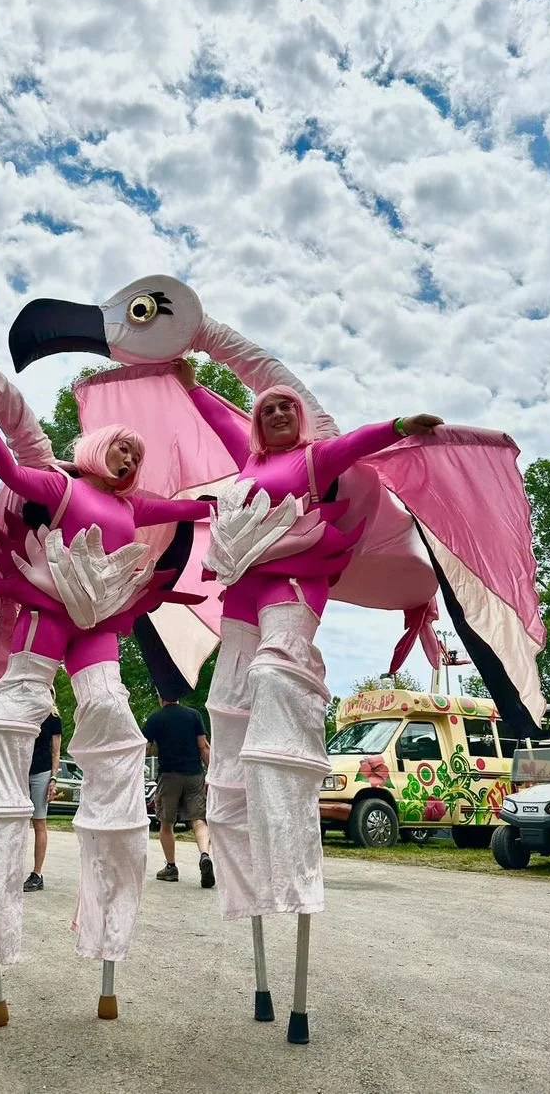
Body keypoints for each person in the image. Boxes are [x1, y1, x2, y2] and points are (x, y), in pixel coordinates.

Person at [172, 357, 443, 920]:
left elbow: (360, 444)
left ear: (299, 419)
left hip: (296, 578)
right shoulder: (249, 459)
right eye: (266, 409)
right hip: (244, 584)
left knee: (275, 672)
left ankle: (289, 791)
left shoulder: (315, 459)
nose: (274, 413)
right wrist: (191, 385)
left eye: (285, 408)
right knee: (229, 702)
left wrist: (399, 426)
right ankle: (240, 854)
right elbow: (215, 419)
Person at [0, 396, 215, 966]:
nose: (130, 456)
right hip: (48, 611)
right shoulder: (64, 489)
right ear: (100, 447)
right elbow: (9, 472)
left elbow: (188, 510)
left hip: (97, 623)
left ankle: (112, 871)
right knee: (17, 705)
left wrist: (244, 493)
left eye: (137, 453)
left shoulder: (136, 506)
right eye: (122, 446)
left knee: (109, 710)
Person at [143, 697, 215, 888]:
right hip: (194, 774)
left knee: (166, 822)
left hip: (169, 776)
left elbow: (145, 748)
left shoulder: (155, 718)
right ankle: (204, 855)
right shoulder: (194, 715)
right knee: (199, 819)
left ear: (160, 696)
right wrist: (214, 773)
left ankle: (171, 868)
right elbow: (204, 746)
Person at [24, 703, 62, 892]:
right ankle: (11, 868)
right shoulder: (25, 712)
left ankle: (37, 874)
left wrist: (53, 779)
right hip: (20, 771)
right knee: (17, 821)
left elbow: (56, 752)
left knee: (39, 822)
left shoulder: (53, 718)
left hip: (42, 771)